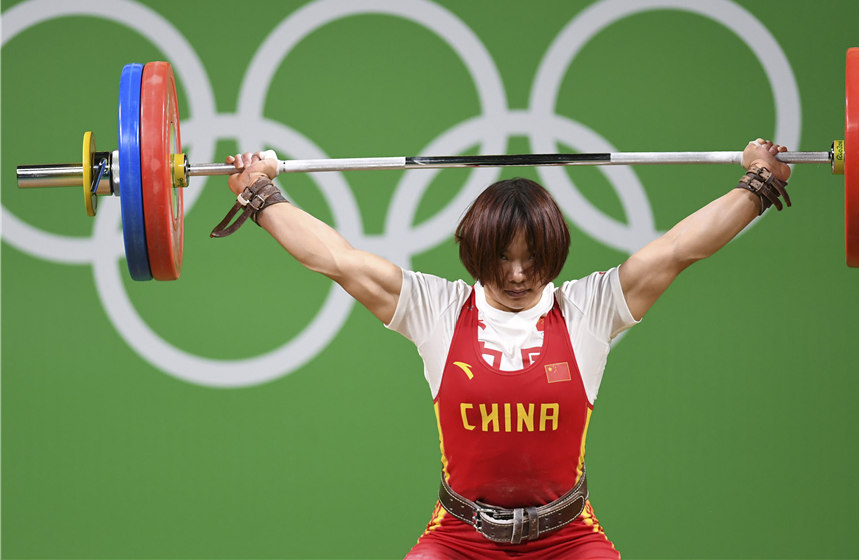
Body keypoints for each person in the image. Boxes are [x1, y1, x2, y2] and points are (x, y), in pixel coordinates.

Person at [220, 139, 791, 559]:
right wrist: (262, 193)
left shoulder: (587, 309)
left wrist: (757, 184)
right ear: (476, 252)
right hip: (459, 538)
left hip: (568, 539)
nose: (518, 274)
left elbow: (678, 250)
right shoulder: (436, 309)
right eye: (502, 258)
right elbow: (335, 259)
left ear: (555, 253)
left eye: (532, 259)